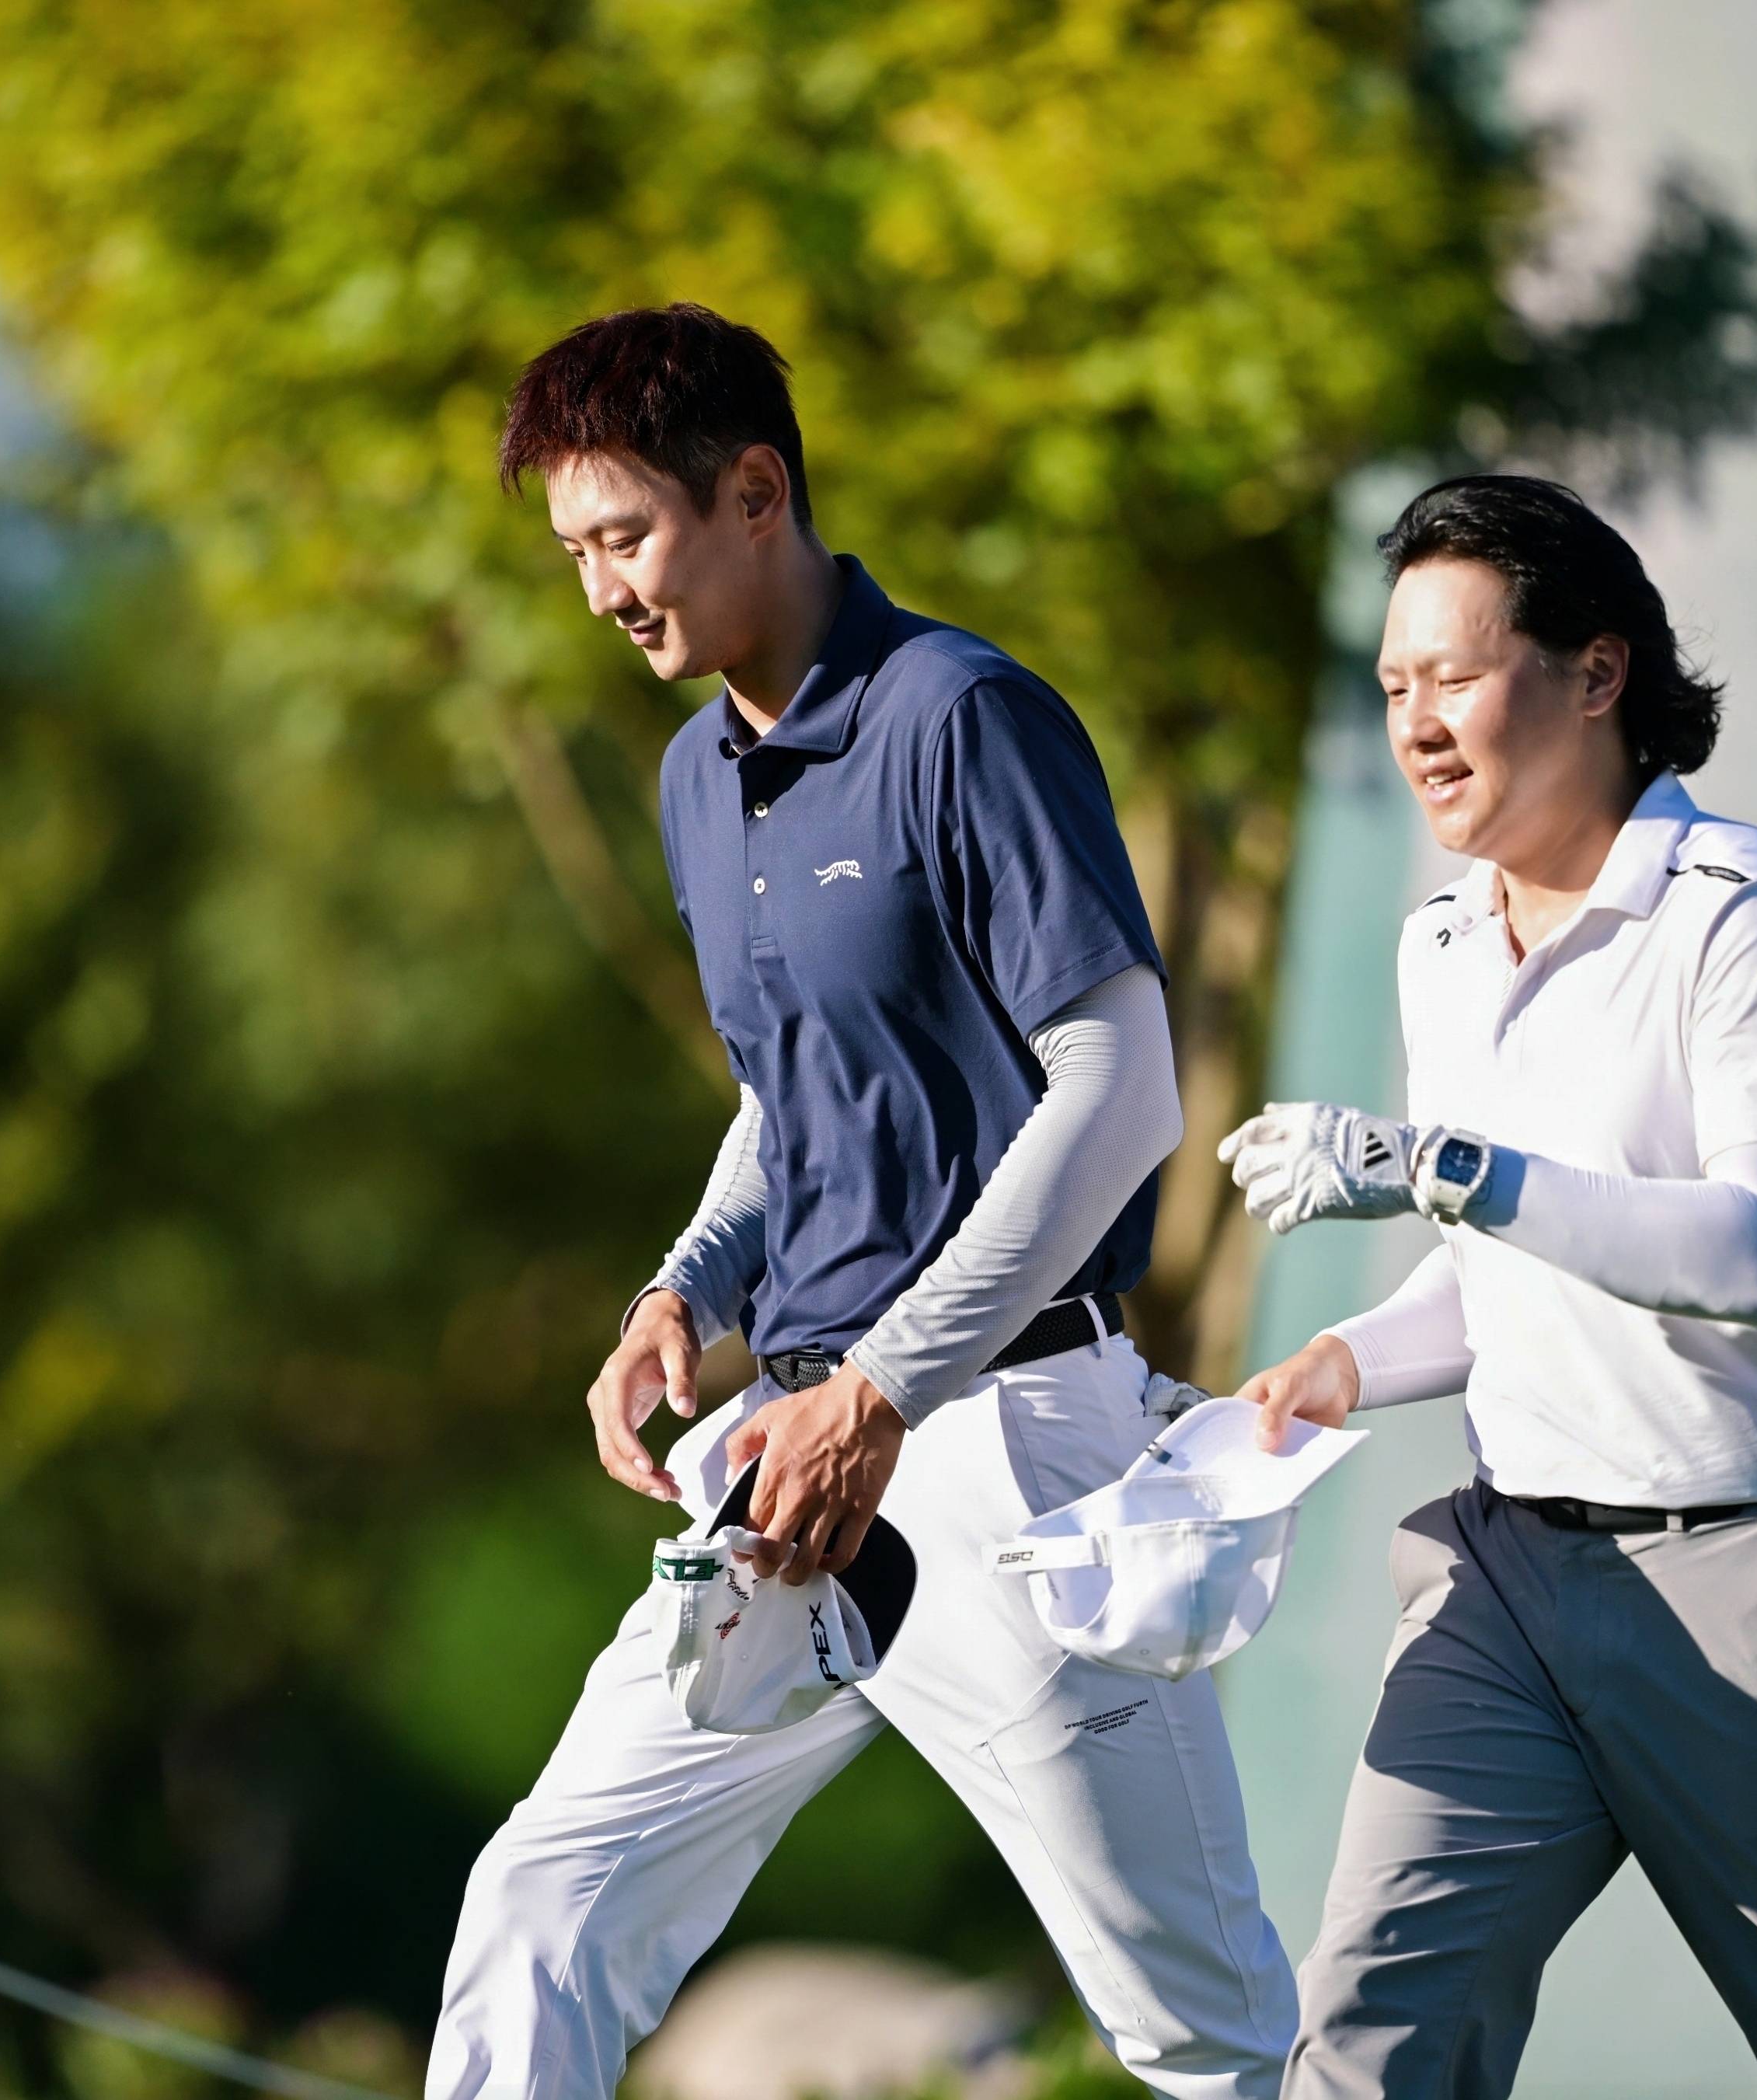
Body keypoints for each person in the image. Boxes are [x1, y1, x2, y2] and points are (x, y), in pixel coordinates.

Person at [424, 303, 1298, 2100]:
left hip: (1010, 1449)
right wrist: (684, 1285)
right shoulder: (690, 779)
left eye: (622, 539)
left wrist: (885, 1389)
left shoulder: (963, 716)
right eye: (573, 553)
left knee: (1206, 2032)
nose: (597, 593)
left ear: (757, 491)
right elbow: (788, 1095)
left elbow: (1125, 1090)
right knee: (544, 1904)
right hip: (788, 1464)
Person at [1217, 476, 1757, 2099]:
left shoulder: (1744, 906)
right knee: (1363, 2045)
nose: (1417, 725)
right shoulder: (1443, 939)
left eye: (1456, 675)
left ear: (1596, 671)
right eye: (1392, 686)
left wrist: (1449, 1167)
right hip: (1510, 1578)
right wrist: (1349, 1358)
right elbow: (1507, 1260)